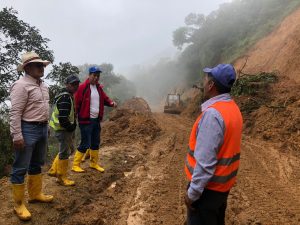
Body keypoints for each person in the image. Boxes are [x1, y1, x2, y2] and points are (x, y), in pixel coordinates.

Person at [184, 64, 243, 225]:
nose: (203, 81)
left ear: (211, 85)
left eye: (206, 78)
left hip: (206, 192)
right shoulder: (233, 108)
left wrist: (192, 194)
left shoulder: (213, 115)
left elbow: (205, 162)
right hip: (221, 190)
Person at [9, 52, 54, 221]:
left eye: (42, 65)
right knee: (21, 166)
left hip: (42, 128)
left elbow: (43, 109)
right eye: (37, 65)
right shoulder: (20, 85)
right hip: (27, 129)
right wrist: (17, 135)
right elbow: (15, 113)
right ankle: (18, 204)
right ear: (27, 68)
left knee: (37, 163)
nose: (41, 68)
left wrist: (47, 126)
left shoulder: (43, 85)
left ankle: (35, 194)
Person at [71, 66, 117, 173]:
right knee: (85, 142)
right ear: (89, 75)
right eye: (94, 75)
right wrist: (75, 118)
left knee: (95, 142)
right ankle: (75, 165)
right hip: (85, 120)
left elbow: (105, 99)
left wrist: (111, 103)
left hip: (96, 120)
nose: (96, 78)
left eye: (98, 76)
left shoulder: (98, 88)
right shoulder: (83, 87)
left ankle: (94, 163)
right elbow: (76, 104)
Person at [48, 74, 80, 186]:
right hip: (63, 130)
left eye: (77, 84)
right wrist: (71, 127)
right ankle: (62, 178)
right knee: (64, 153)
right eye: (73, 84)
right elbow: (63, 118)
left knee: (66, 150)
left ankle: (54, 170)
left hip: (62, 130)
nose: (75, 86)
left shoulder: (65, 95)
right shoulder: (65, 98)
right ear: (67, 84)